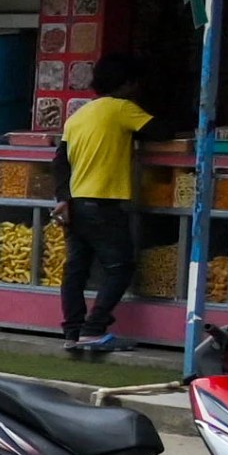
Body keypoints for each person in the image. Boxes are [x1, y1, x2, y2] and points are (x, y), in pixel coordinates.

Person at [58, 54, 154, 358]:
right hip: (103, 203)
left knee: (76, 270)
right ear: (127, 84)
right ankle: (94, 329)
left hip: (75, 203)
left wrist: (63, 199)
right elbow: (160, 131)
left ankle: (73, 332)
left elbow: (59, 162)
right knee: (120, 267)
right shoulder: (122, 108)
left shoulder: (78, 116)